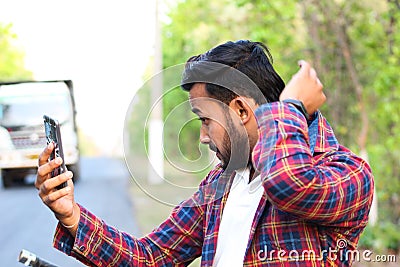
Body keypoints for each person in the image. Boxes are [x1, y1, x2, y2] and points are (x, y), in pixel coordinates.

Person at [35, 40, 374, 266]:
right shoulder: (221, 184)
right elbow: (151, 257)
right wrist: (71, 216)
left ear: (241, 111)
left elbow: (288, 182)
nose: (202, 137)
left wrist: (291, 107)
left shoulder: (347, 173)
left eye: (205, 120)